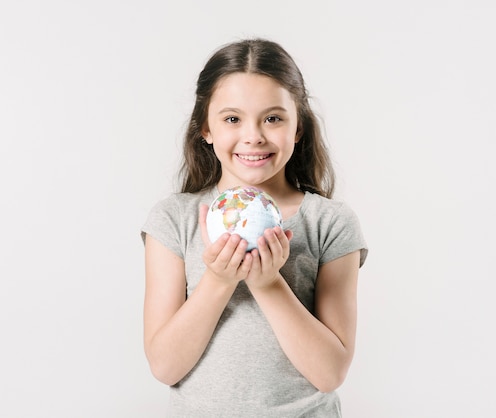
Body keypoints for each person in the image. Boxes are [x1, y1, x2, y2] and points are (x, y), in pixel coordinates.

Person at [141, 38, 368, 417]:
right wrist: (218, 279)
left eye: (273, 118)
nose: (254, 136)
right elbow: (164, 367)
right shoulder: (173, 220)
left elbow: (330, 373)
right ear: (206, 129)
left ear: (298, 128)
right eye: (232, 119)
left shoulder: (330, 222)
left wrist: (267, 283)